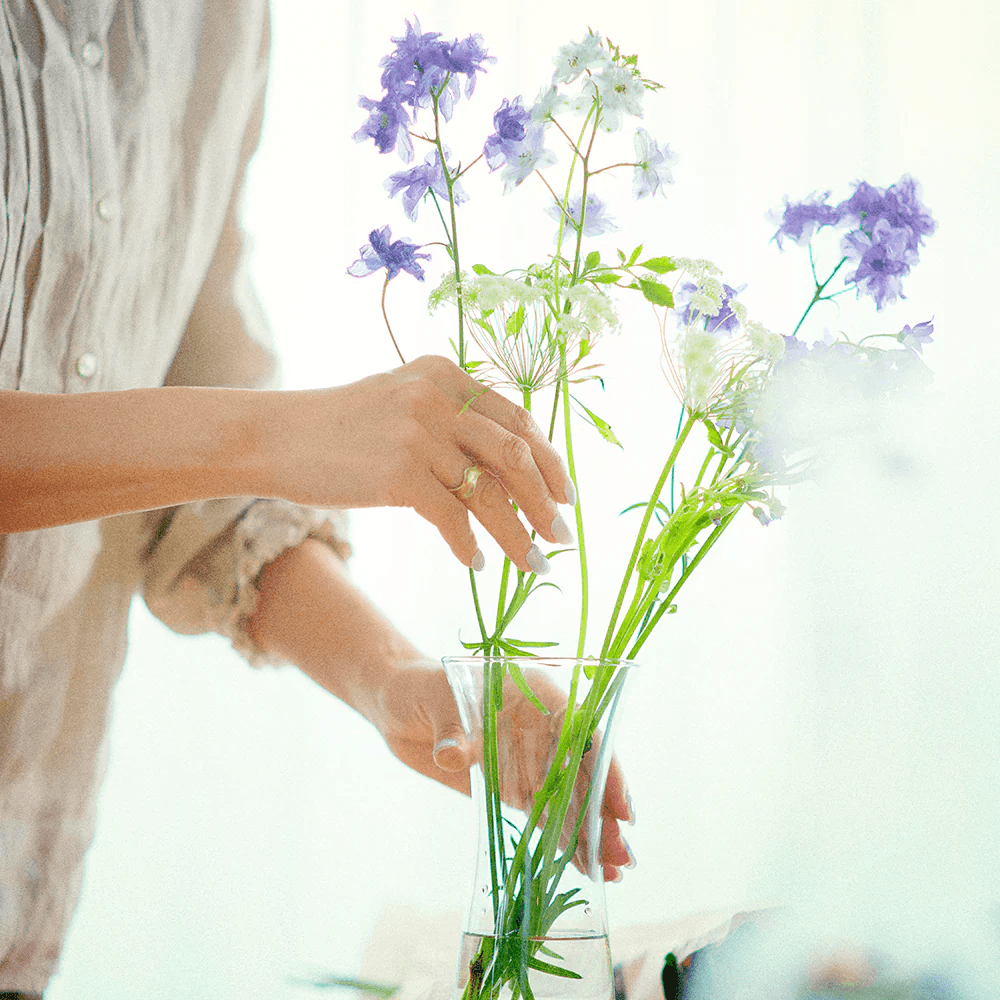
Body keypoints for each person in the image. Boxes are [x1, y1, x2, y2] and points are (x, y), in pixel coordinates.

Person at [0, 2, 632, 993]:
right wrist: (282, 436)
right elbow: (230, 440)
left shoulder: (210, 22)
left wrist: (400, 685)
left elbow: (191, 488)